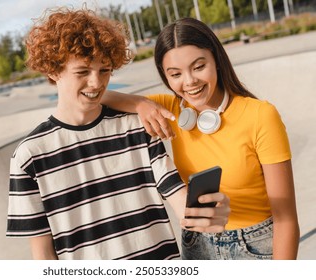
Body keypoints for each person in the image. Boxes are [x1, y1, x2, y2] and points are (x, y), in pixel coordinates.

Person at [6, 8, 230, 260]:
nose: (96, 83)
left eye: (105, 70)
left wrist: (203, 217)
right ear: (53, 70)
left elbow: (177, 197)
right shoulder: (28, 157)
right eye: (83, 72)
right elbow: (43, 255)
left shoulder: (137, 127)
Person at [102, 17, 300, 260]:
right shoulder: (170, 110)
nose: (189, 82)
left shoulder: (260, 115)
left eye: (198, 67)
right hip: (196, 246)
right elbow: (98, 95)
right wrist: (141, 103)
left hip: (255, 247)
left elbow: (286, 219)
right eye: (175, 74)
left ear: (216, 59)